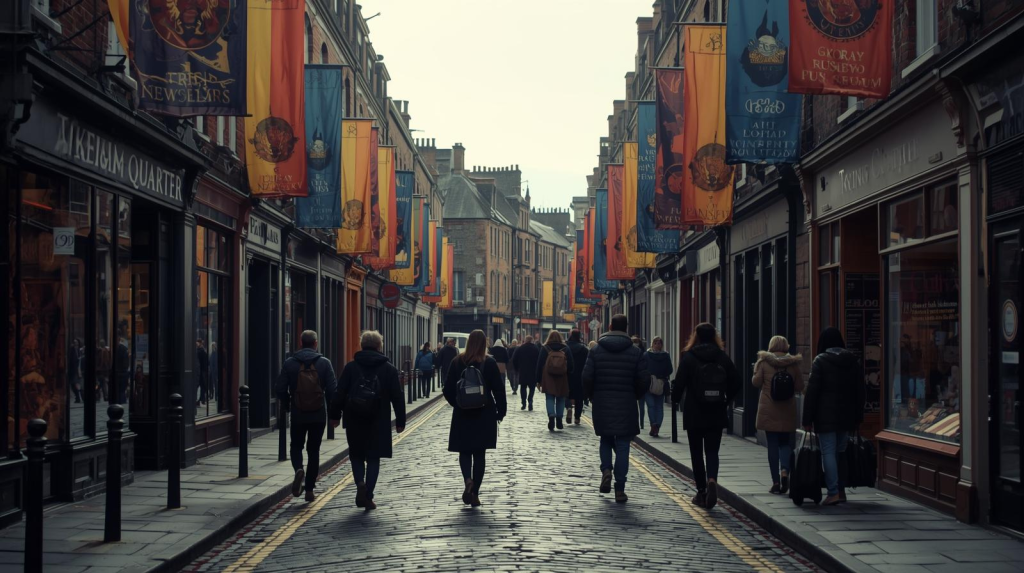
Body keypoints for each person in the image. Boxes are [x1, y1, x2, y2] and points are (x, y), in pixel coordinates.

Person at [330, 331, 405, 510]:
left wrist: (334, 415)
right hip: (379, 421)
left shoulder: (351, 367)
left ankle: (360, 484)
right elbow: (398, 397)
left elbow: (339, 393)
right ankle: (368, 495)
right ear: (380, 346)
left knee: (356, 455)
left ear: (362, 345)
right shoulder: (389, 369)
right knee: (373, 458)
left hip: (354, 418)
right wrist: (401, 420)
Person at [672, 323, 741, 509]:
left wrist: (675, 399)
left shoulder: (689, 357)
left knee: (696, 452)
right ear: (714, 336)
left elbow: (679, 384)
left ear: (696, 336)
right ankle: (712, 480)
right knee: (712, 451)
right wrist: (725, 401)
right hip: (716, 411)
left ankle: (702, 491)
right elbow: (737, 382)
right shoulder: (722, 357)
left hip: (694, 412)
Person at [582, 314, 648, 503]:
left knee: (605, 439)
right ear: (626, 328)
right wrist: (634, 395)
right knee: (623, 444)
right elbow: (644, 379)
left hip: (602, 402)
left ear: (610, 326)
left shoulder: (596, 350)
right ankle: (620, 488)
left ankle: (606, 470)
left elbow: (586, 377)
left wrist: (591, 396)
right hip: (626, 404)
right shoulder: (636, 352)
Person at [443, 330, 507, 507]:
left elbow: (447, 390)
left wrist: (458, 404)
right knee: (479, 454)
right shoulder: (490, 362)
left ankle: (467, 480)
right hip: (484, 414)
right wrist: (500, 412)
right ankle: (475, 494)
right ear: (484, 343)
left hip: (463, 414)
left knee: (464, 451)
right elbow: (499, 390)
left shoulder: (457, 362)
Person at [803, 327, 865, 506]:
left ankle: (832, 492)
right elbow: (860, 391)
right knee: (841, 451)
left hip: (825, 416)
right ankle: (841, 490)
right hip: (847, 416)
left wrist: (807, 420)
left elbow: (812, 393)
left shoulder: (820, 361)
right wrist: (858, 416)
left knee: (828, 452)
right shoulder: (853, 361)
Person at [276, 330, 338, 501]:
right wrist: (334, 414)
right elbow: (333, 391)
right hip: (318, 414)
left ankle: (298, 469)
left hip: (298, 413)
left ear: (301, 342)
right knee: (314, 450)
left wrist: (288, 404)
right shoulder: (324, 363)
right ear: (316, 343)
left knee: (296, 446)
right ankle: (309, 490)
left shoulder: (290, 363)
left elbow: (280, 388)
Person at [752, 335, 804, 494]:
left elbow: (756, 383)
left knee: (772, 444)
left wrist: (756, 371)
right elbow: (800, 386)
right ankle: (784, 471)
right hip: (787, 409)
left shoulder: (763, 362)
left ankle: (775, 481)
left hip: (769, 409)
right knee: (784, 444)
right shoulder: (793, 364)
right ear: (786, 346)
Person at [536, 330, 575, 431]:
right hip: (562, 377)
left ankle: (551, 416)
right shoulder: (566, 348)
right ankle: (559, 419)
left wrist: (538, 380)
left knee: (549, 397)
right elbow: (571, 365)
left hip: (548, 377)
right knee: (561, 398)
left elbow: (539, 365)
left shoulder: (545, 348)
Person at [644, 336, 673, 437]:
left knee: (653, 406)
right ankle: (656, 427)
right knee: (657, 407)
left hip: (649, 384)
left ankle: (654, 426)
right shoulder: (665, 355)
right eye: (656, 343)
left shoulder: (646, 355)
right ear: (653, 344)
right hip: (660, 384)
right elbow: (670, 370)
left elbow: (642, 368)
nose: (657, 345)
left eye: (658, 343)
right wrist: (661, 375)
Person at [511, 335, 541, 410]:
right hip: (533, 371)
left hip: (523, 371)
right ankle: (530, 400)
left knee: (523, 387)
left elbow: (514, 359)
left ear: (525, 340)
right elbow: (539, 360)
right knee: (532, 388)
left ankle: (523, 403)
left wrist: (517, 368)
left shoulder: (520, 348)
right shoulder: (535, 348)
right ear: (532, 340)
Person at [565, 329, 589, 425]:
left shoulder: (566, 347)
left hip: (567, 374)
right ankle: (577, 418)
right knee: (579, 397)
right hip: (580, 376)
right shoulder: (584, 349)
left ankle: (569, 408)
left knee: (566, 394)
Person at [195, 339, 209, 407]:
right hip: (202, 371)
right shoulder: (203, 351)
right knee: (202, 386)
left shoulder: (200, 351)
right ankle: (201, 400)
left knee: (200, 385)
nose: (196, 344)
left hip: (201, 371)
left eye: (197, 343)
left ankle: (200, 400)